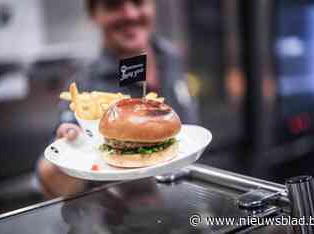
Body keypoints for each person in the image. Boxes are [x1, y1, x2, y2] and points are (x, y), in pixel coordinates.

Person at [37, 0, 199, 198]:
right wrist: (69, 152)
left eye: (139, 2)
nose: (130, 14)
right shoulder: (83, 88)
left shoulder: (171, 55)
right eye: (113, 5)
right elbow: (52, 183)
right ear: (94, 14)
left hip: (189, 198)